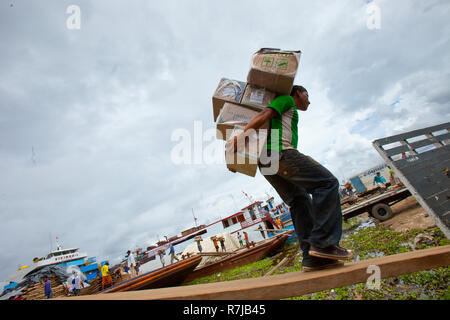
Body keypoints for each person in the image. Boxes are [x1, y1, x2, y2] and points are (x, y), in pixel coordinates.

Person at [228, 85, 353, 272]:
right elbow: (263, 116)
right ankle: (323, 243)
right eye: (307, 94)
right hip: (280, 154)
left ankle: (311, 258)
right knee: (328, 183)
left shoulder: (289, 113)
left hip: (267, 163)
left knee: (300, 201)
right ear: (297, 93)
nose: (309, 100)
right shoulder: (287, 100)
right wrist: (240, 139)